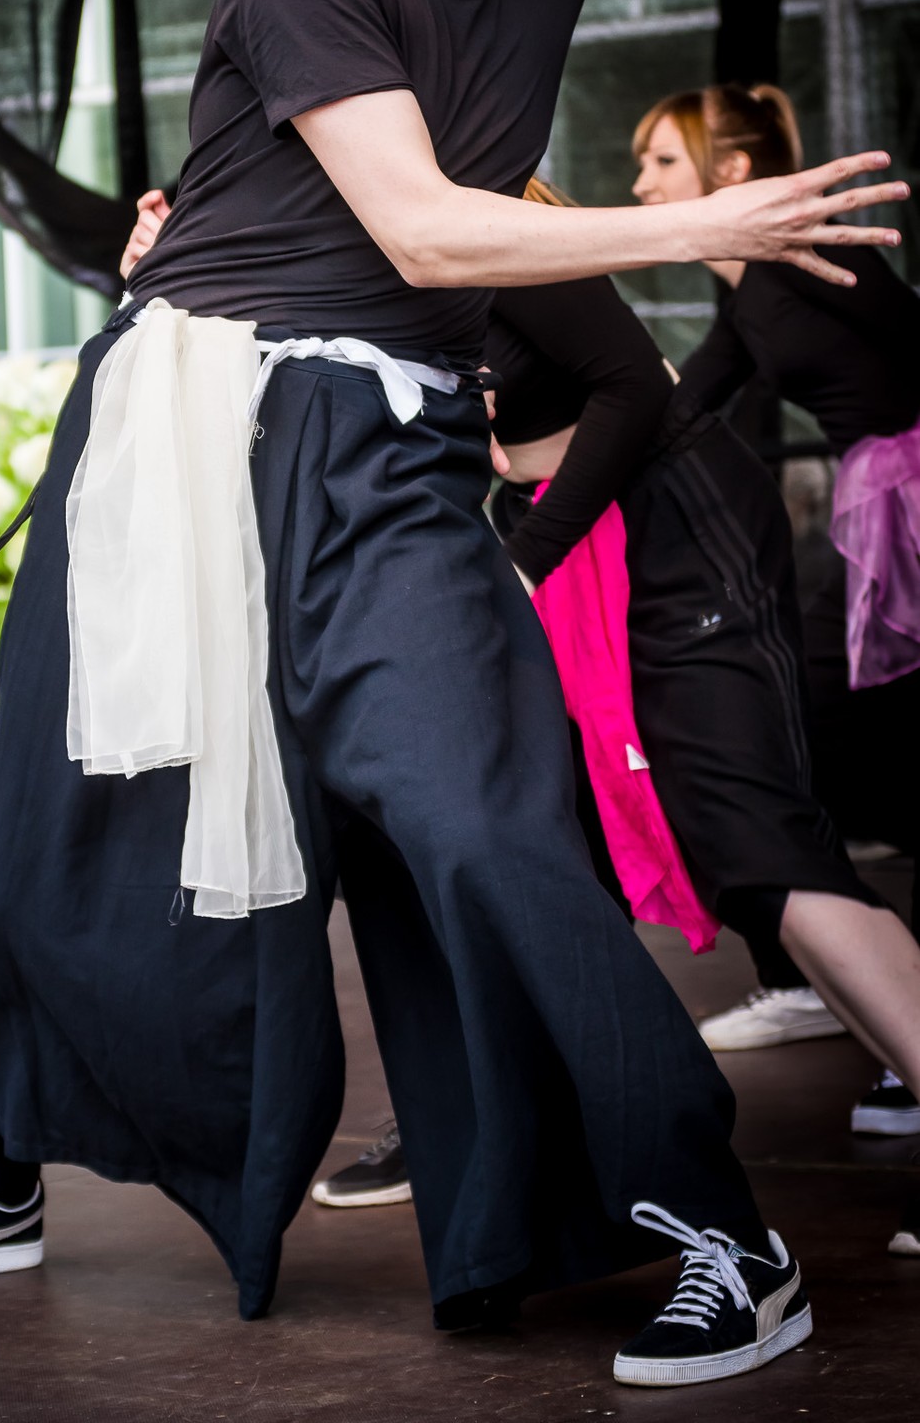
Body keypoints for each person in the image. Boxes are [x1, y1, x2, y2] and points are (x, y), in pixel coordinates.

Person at [0, 0, 906, 1386]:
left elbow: (445, 246)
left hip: (385, 450)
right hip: (182, 424)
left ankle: (714, 1228)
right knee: (81, 844)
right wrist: (701, 225)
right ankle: (0, 1177)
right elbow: (416, 223)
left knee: (486, 824)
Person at [314, 212, 920, 1260]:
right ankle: (493, 1129)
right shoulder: (349, 259)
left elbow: (636, 384)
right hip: (553, 533)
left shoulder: (487, 218)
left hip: (663, 530)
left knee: (758, 849)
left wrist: (526, 557)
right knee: (546, 838)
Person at [633, 85, 920, 1141]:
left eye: (661, 163)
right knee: (818, 744)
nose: (640, 187)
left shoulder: (803, 257)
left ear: (731, 174)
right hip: (878, 510)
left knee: (833, 737)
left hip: (905, 503)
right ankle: (837, 989)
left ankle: (877, 1012)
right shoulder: (748, 297)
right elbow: (677, 403)